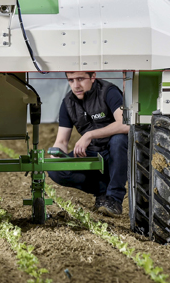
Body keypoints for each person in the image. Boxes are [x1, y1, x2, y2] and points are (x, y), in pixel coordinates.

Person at [48, 71, 129, 216]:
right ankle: (103, 191)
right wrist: (56, 158)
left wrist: (89, 135)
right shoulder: (68, 103)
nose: (76, 85)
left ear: (93, 77)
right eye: (71, 80)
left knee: (119, 140)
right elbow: (61, 141)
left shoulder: (108, 91)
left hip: (116, 151)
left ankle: (114, 199)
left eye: (80, 79)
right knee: (55, 170)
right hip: (92, 151)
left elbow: (125, 124)